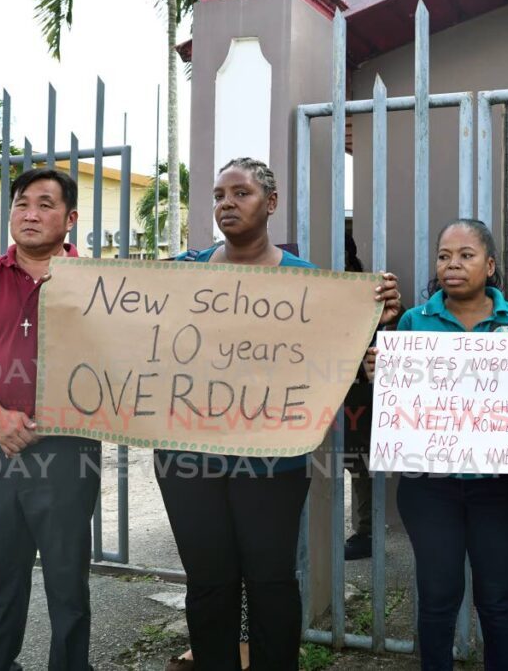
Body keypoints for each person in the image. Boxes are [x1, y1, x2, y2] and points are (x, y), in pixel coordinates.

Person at [155, 157, 401, 671]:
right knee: (209, 584)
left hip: (272, 463)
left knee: (270, 582)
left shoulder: (310, 285)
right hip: (187, 460)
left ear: (271, 203)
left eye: (240, 193)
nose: (226, 203)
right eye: (219, 194)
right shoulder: (180, 272)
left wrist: (373, 318)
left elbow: (340, 365)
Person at [0, 167, 102, 671]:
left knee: (67, 585)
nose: (29, 214)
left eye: (45, 204)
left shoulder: (103, 283)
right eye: (20, 203)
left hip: (67, 451)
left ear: (70, 218)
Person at [383, 218, 508, 671]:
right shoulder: (413, 321)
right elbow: (394, 400)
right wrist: (381, 368)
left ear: (490, 265)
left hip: (502, 488)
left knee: (497, 600)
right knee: (437, 597)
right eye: (444, 256)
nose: (453, 265)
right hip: (430, 487)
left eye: (466, 255)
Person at [343, 232, 379, 561]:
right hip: (320, 390)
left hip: (362, 394)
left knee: (359, 464)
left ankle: (366, 532)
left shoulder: (373, 292)